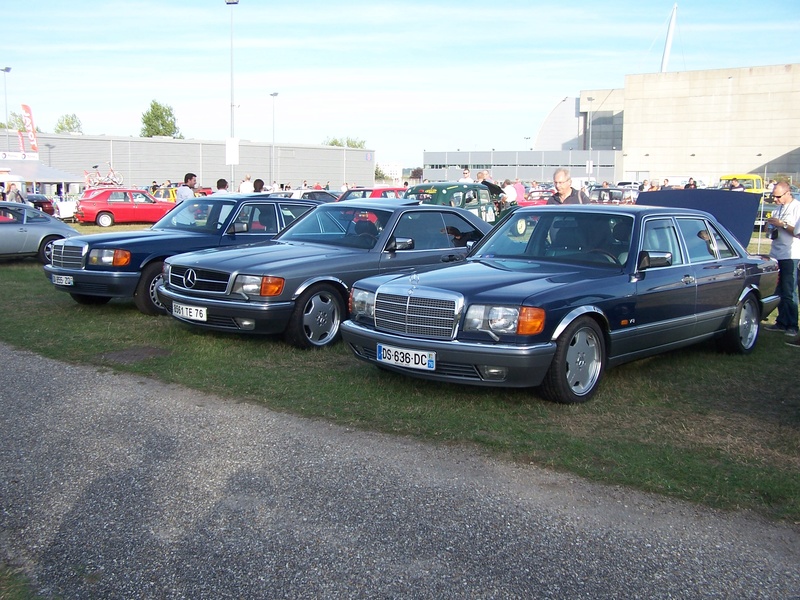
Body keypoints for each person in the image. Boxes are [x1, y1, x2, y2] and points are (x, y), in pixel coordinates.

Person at [764, 182, 800, 337]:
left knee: (789, 291)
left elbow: (797, 232)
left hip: (791, 255)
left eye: (778, 196)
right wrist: (769, 226)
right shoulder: (778, 208)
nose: (776, 200)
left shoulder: (796, 208)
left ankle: (792, 325)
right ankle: (781, 322)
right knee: (778, 290)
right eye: (774, 197)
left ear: (787, 193)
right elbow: (773, 231)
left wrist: (782, 224)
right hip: (777, 253)